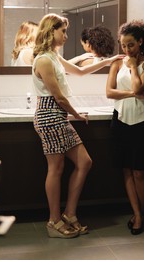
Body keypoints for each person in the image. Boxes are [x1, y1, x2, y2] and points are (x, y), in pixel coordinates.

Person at [32, 13, 124, 239]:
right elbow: (58, 97)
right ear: (50, 31)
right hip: (49, 114)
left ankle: (70, 214)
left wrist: (107, 61)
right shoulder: (43, 59)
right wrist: (77, 114)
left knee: (84, 162)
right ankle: (53, 221)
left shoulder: (53, 56)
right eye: (62, 31)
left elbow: (80, 71)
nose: (65, 35)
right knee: (56, 168)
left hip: (57, 115)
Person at [106, 20, 144, 235]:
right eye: (123, 45)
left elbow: (138, 85)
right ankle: (137, 213)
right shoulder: (117, 63)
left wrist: (133, 66)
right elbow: (109, 92)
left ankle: (140, 213)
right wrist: (132, 94)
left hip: (142, 121)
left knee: (139, 173)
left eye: (130, 45)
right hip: (120, 120)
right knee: (126, 169)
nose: (126, 50)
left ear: (140, 42)